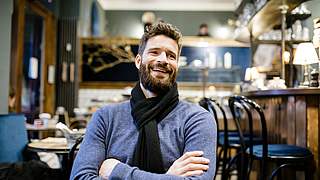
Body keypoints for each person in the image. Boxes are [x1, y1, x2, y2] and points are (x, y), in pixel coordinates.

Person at [70, 22, 217, 180]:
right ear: (138, 61)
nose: (163, 60)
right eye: (154, 52)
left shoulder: (198, 119)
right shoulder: (105, 118)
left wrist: (117, 171)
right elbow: (80, 177)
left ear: (177, 66)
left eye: (171, 55)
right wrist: (168, 177)